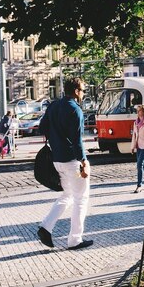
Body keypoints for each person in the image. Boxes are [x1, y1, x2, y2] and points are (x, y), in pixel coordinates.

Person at [37, 77, 93, 250]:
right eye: (83, 90)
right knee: (81, 199)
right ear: (76, 91)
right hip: (72, 161)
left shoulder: (54, 105)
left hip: (57, 160)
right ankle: (75, 239)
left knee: (68, 195)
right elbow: (77, 141)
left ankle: (46, 227)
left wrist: (56, 138)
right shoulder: (75, 110)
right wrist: (83, 161)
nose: (83, 93)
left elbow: (42, 127)